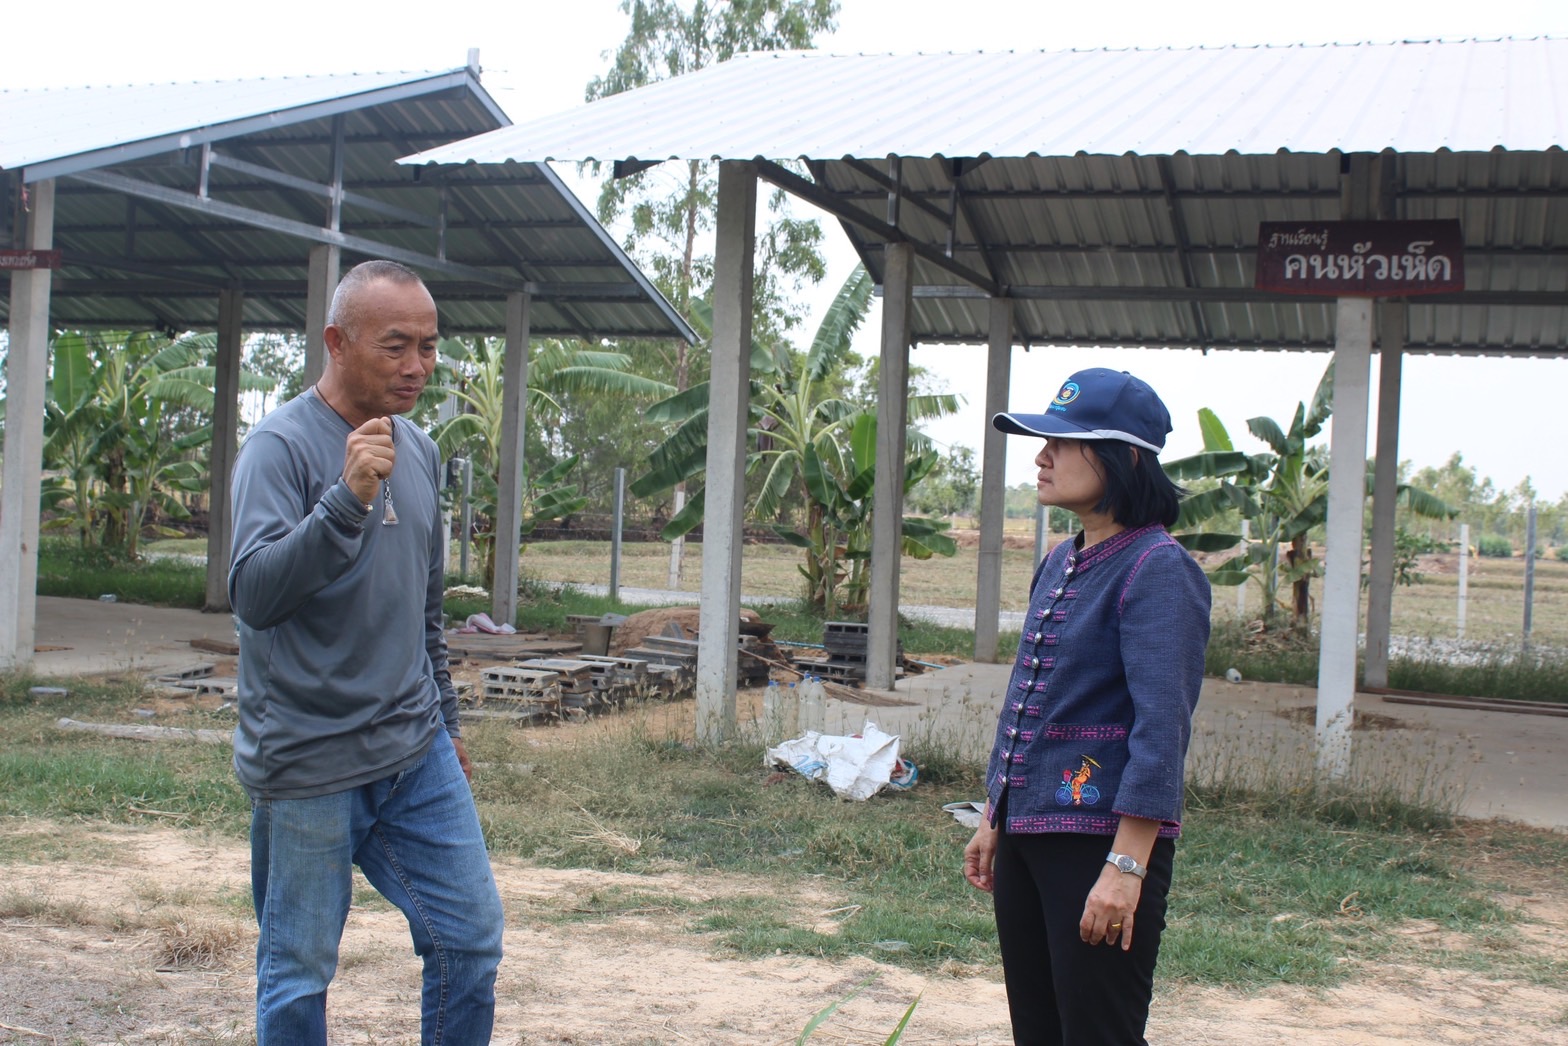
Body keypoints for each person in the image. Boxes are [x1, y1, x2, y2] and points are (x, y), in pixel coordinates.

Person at [229, 259, 503, 1044]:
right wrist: (343, 503)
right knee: (298, 973)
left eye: (428, 345)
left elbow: (424, 609)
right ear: (337, 342)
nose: (417, 366)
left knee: (470, 939)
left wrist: (448, 724)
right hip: (310, 762)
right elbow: (254, 595)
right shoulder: (279, 449)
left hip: (414, 753)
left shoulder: (416, 450)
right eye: (395, 346)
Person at [962, 367, 1210, 1046]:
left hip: (1099, 846)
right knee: (1038, 1034)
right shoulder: (1059, 558)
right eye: (1042, 440)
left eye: (1063, 444)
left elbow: (1162, 731)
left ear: (1124, 456)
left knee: (1099, 1036)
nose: (1042, 456)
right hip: (1027, 836)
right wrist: (996, 816)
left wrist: (1126, 868)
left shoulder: (1157, 567)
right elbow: (1029, 696)